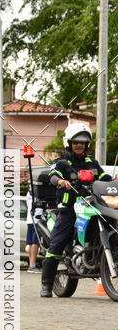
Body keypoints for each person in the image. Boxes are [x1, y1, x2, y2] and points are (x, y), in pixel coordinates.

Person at [40, 122, 112, 297]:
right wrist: (60, 181)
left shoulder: (91, 162)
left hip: (91, 204)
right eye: (76, 142)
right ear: (69, 143)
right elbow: (52, 175)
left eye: (83, 142)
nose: (80, 145)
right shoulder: (62, 162)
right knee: (57, 244)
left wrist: (113, 180)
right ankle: (46, 284)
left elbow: (104, 177)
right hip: (69, 208)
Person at [25, 189, 41, 272]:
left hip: (29, 219)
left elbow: (27, 205)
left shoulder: (29, 192)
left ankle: (31, 265)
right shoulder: (38, 192)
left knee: (30, 243)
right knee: (36, 243)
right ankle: (32, 265)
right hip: (37, 220)